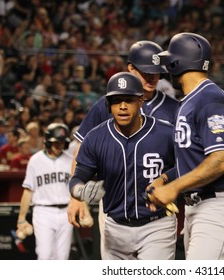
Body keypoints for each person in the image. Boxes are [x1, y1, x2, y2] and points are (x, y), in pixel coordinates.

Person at [146, 32, 224, 260]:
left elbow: (223, 158)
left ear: (177, 64)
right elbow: (195, 160)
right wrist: (166, 179)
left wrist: (174, 189)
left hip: (220, 204)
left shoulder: (209, 99)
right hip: (201, 206)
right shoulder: (191, 100)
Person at [67, 40, 179, 257]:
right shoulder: (106, 104)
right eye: (147, 72)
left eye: (157, 72)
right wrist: (75, 197)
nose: (152, 77)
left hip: (157, 211)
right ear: (131, 68)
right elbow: (82, 152)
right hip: (115, 203)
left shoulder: (173, 109)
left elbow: (186, 161)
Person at [16, 123, 73, 259]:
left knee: (62, 257)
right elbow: (28, 190)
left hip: (66, 211)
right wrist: (21, 218)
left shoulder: (70, 161)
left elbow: (76, 190)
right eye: (56, 143)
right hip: (43, 211)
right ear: (47, 142)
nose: (59, 146)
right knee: (45, 254)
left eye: (62, 143)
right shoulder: (35, 160)